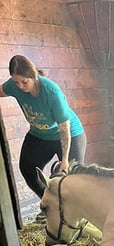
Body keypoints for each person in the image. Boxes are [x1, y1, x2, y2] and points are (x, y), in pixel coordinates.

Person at [0, 54, 86, 201]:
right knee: (27, 168)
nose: (20, 86)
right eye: (16, 82)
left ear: (33, 76)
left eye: (24, 82)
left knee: (73, 178)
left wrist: (65, 160)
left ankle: (75, 215)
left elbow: (64, 129)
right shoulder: (14, 86)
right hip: (39, 134)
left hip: (68, 134)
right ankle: (49, 203)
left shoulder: (51, 92)